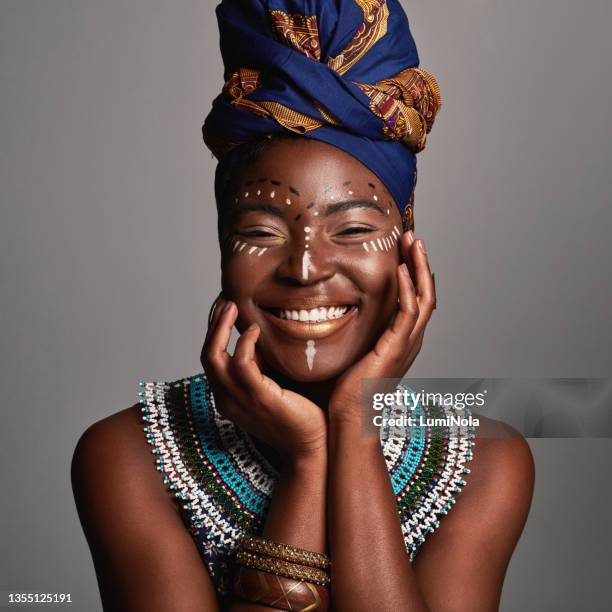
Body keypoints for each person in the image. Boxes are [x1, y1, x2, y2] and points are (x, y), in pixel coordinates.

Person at [71, 1, 534, 610]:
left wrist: (354, 429)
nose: (306, 267)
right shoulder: (127, 456)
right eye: (262, 232)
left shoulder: (485, 461)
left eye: (352, 230)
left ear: (407, 251)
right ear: (221, 245)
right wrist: (309, 460)